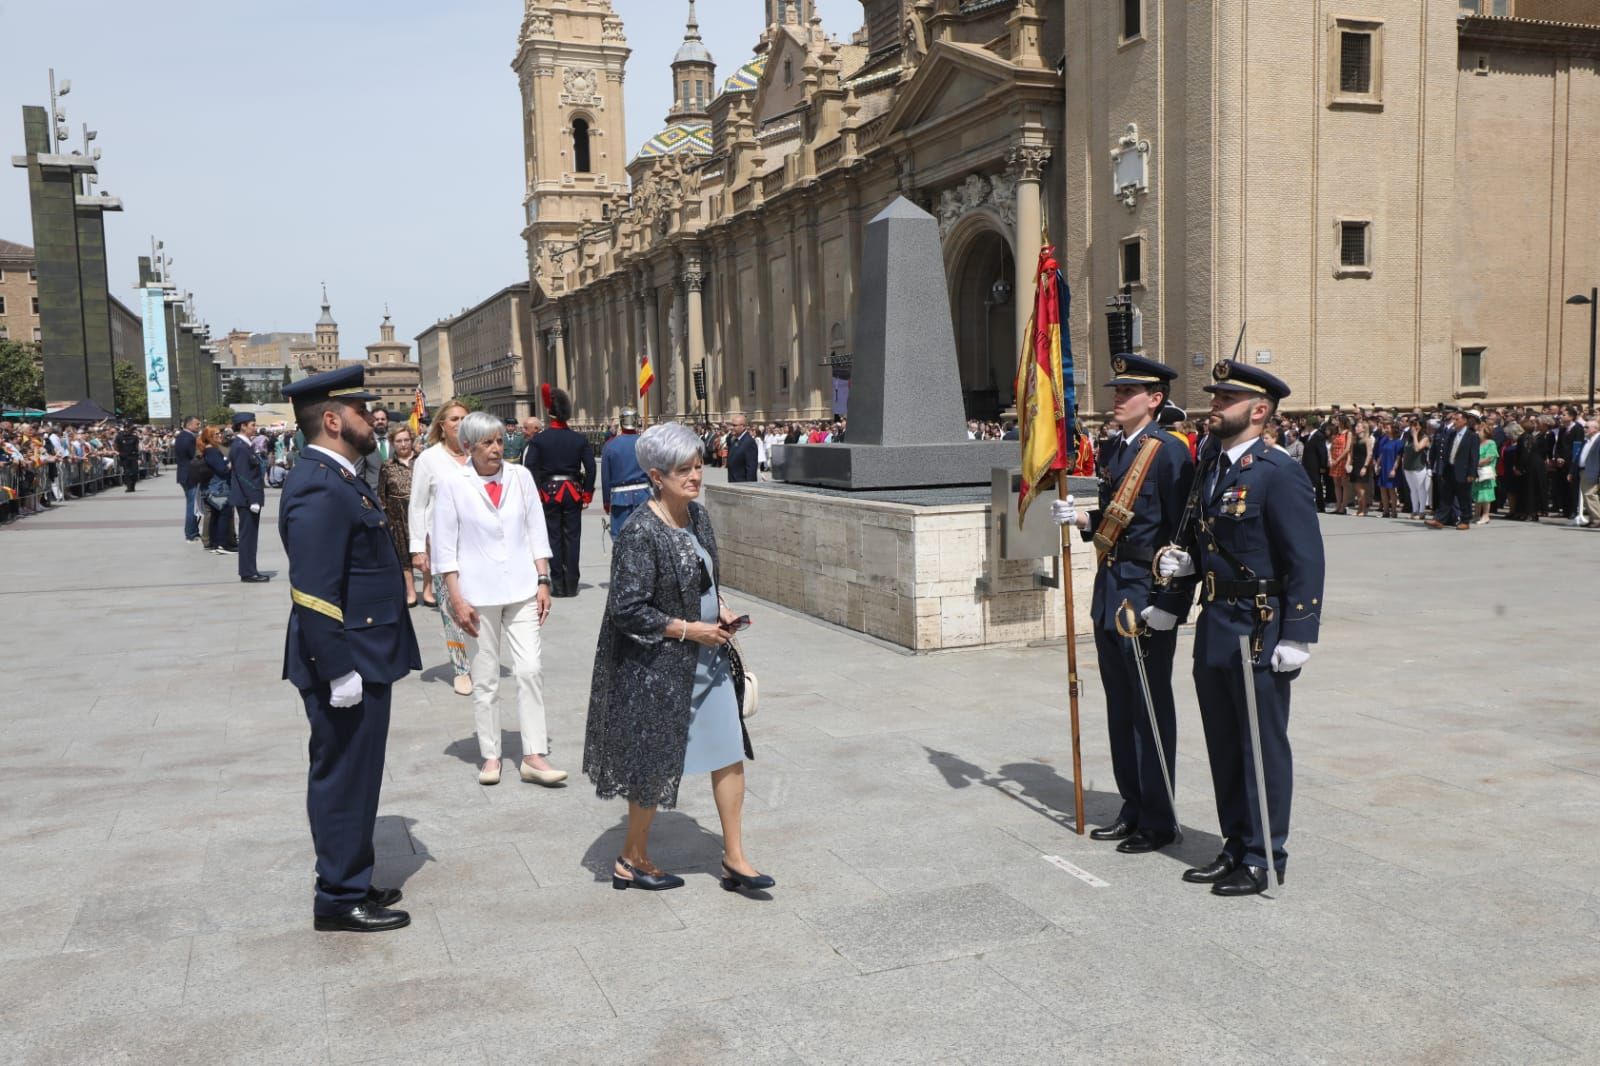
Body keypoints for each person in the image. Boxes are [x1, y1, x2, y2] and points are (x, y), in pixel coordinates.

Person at [1158, 359, 1325, 897]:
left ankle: (1263, 854)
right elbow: (1211, 541)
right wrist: (1185, 573)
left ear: (1258, 411)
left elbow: (1305, 556)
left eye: (1225, 400)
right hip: (1216, 621)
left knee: (1261, 745)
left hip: (1260, 624)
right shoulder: (1213, 468)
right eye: (1214, 397)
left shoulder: (1277, 471)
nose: (1214, 405)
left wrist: (1300, 633)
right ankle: (1235, 844)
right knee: (1225, 742)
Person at [583, 422, 771, 895]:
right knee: (654, 762)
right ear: (655, 475)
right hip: (657, 667)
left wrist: (722, 610)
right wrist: (690, 629)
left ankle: (735, 857)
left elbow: (706, 578)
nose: (695, 476)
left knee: (729, 752)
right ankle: (631, 857)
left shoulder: (697, 517)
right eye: (682, 469)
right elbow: (627, 609)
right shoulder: (640, 532)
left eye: (697, 465)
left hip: (708, 660)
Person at [278, 365, 421, 933]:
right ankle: (338, 896)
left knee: (361, 775)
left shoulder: (342, 475)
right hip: (347, 658)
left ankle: (353, 876)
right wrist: (337, 671)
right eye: (363, 411)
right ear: (333, 420)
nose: (374, 419)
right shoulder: (317, 482)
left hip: (365, 651)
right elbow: (313, 591)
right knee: (342, 775)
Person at [1051, 354, 1194, 854]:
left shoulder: (1169, 452)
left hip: (1145, 596)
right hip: (1111, 589)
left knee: (1149, 707)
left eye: (1128, 391)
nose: (1118, 397)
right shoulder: (1115, 448)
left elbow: (1182, 533)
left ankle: (1159, 817)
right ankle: (1132, 806)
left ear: (1154, 400)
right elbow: (1117, 519)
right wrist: (1084, 521)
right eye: (1116, 390)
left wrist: (1171, 602)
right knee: (1119, 707)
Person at [431, 411, 564, 787]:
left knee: (529, 670)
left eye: (499, 441)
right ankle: (491, 754)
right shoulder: (452, 484)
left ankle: (534, 754)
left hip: (523, 588)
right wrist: (456, 598)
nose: (495, 449)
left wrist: (543, 580)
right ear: (468, 446)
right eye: (487, 443)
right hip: (476, 594)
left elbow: (537, 529)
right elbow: (444, 549)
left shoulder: (520, 477)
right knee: (486, 677)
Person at [408, 398, 475, 693]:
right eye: (454, 419)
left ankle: (481, 659)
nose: (460, 423)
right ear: (442, 426)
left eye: (464, 418)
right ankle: (460, 666)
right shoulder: (429, 459)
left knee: (481, 604)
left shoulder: (480, 453)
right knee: (451, 606)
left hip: (478, 543)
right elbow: (418, 505)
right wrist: (418, 548)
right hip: (443, 545)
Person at [524, 385, 595, 597]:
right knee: (573, 538)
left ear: (549, 412)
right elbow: (591, 467)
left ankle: (558, 582)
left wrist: (536, 491)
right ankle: (572, 583)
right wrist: (588, 493)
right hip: (572, 491)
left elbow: (530, 468)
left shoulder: (539, 439)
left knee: (553, 537)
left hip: (549, 492)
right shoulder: (578, 439)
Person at [377, 425, 419, 607]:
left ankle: (428, 590)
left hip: (421, 516)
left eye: (406, 440)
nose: (403, 444)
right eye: (399, 441)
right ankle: (410, 592)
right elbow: (381, 494)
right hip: (398, 518)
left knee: (426, 554)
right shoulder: (387, 466)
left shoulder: (422, 461)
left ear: (412, 440)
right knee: (404, 556)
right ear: (393, 443)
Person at [229, 412, 270, 583]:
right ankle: (247, 572)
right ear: (243, 426)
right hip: (247, 500)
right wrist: (253, 499)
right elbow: (244, 476)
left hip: (249, 497)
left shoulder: (246, 445)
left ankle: (250, 569)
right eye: (252, 424)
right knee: (248, 536)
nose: (255, 427)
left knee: (250, 535)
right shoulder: (240, 447)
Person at [600, 406, 650, 540]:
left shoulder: (610, 446)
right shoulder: (645, 443)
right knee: (644, 536)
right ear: (636, 421)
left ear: (622, 422)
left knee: (620, 539)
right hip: (643, 495)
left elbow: (606, 478)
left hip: (619, 498)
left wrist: (606, 501)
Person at [1428, 410, 1478, 530]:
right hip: (1450, 469)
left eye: (1457, 419)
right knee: (1446, 496)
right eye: (1453, 419)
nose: (1454, 422)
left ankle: (1465, 520)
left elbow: (1474, 456)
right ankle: (1440, 520)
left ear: (1464, 421)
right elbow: (1446, 452)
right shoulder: (1452, 434)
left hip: (1463, 471)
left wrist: (1472, 473)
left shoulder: (1472, 436)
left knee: (1463, 497)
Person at [200, 425, 236, 556]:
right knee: (223, 515)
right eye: (216, 434)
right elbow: (222, 469)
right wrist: (230, 464)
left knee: (215, 516)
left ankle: (216, 544)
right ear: (210, 437)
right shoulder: (213, 451)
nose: (220, 435)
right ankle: (222, 544)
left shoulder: (212, 450)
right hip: (218, 488)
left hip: (214, 488)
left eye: (220, 433)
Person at [174, 416, 201, 542]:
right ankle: (191, 533)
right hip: (190, 475)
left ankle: (192, 531)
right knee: (192, 505)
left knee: (191, 503)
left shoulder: (180, 436)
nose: (198, 426)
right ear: (189, 425)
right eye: (197, 424)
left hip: (184, 474)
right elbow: (194, 456)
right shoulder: (189, 438)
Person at [1402, 418, 1432, 521]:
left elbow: (1417, 448)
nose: (1414, 427)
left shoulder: (1425, 437)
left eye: (1416, 425)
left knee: (1420, 489)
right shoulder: (1408, 438)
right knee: (1413, 490)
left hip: (1419, 466)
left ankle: (1421, 511)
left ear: (1421, 427)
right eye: (1412, 425)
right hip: (1408, 466)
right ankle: (1414, 510)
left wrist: (1415, 436)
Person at [1375, 420, 1404, 519]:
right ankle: (1385, 511)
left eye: (1388, 427)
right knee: (1382, 489)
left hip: (1391, 466)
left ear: (1393, 429)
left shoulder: (1398, 442)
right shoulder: (1385, 440)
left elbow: (1398, 457)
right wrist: (1377, 465)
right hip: (1384, 466)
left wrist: (1394, 469)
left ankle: (1394, 511)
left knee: (1391, 489)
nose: (1386, 429)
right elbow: (1381, 454)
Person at [357, 408, 392, 491]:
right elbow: (359, 473)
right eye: (376, 419)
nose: (380, 421)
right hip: (373, 493)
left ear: (387, 421)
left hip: (395, 495)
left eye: (383, 419)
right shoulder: (364, 443)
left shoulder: (396, 441)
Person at [1473, 420, 1499, 525]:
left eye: (1480, 431)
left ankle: (1486, 515)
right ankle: (1476, 514)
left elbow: (1489, 458)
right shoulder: (1477, 443)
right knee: (1477, 493)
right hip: (1477, 472)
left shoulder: (1491, 443)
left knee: (1486, 494)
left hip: (1485, 472)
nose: (1477, 432)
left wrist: (1475, 463)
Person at [1578, 419, 1600, 526]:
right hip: (1584, 471)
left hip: (1593, 472)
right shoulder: (1588, 440)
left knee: (1590, 494)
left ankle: (1597, 519)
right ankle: (1592, 518)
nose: (1584, 429)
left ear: (1595, 429)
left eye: (1587, 427)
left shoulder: (1599, 440)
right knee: (1586, 496)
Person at [1327, 416, 1352, 515]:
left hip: (1342, 459)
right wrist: (1330, 458)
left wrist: (1337, 460)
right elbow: (1331, 446)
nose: (1335, 422)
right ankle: (1338, 505)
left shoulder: (1348, 433)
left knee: (1344, 484)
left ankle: (1343, 506)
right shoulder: (1336, 433)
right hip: (1334, 458)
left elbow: (1347, 449)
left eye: (1337, 420)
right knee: (1336, 483)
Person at [725, 414, 759, 483]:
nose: (732, 427)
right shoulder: (735, 439)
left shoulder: (749, 442)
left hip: (742, 484)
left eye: (735, 425)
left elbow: (751, 469)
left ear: (743, 426)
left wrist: (749, 488)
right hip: (733, 482)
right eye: (732, 425)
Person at [114, 421, 141, 492]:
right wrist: (119, 453)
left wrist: (139, 457)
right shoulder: (119, 437)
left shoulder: (134, 437)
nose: (128, 429)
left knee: (135, 472)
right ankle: (129, 487)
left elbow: (136, 447)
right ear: (124, 428)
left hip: (133, 456)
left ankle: (132, 486)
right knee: (127, 472)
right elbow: (116, 446)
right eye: (126, 427)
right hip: (124, 457)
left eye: (129, 427)